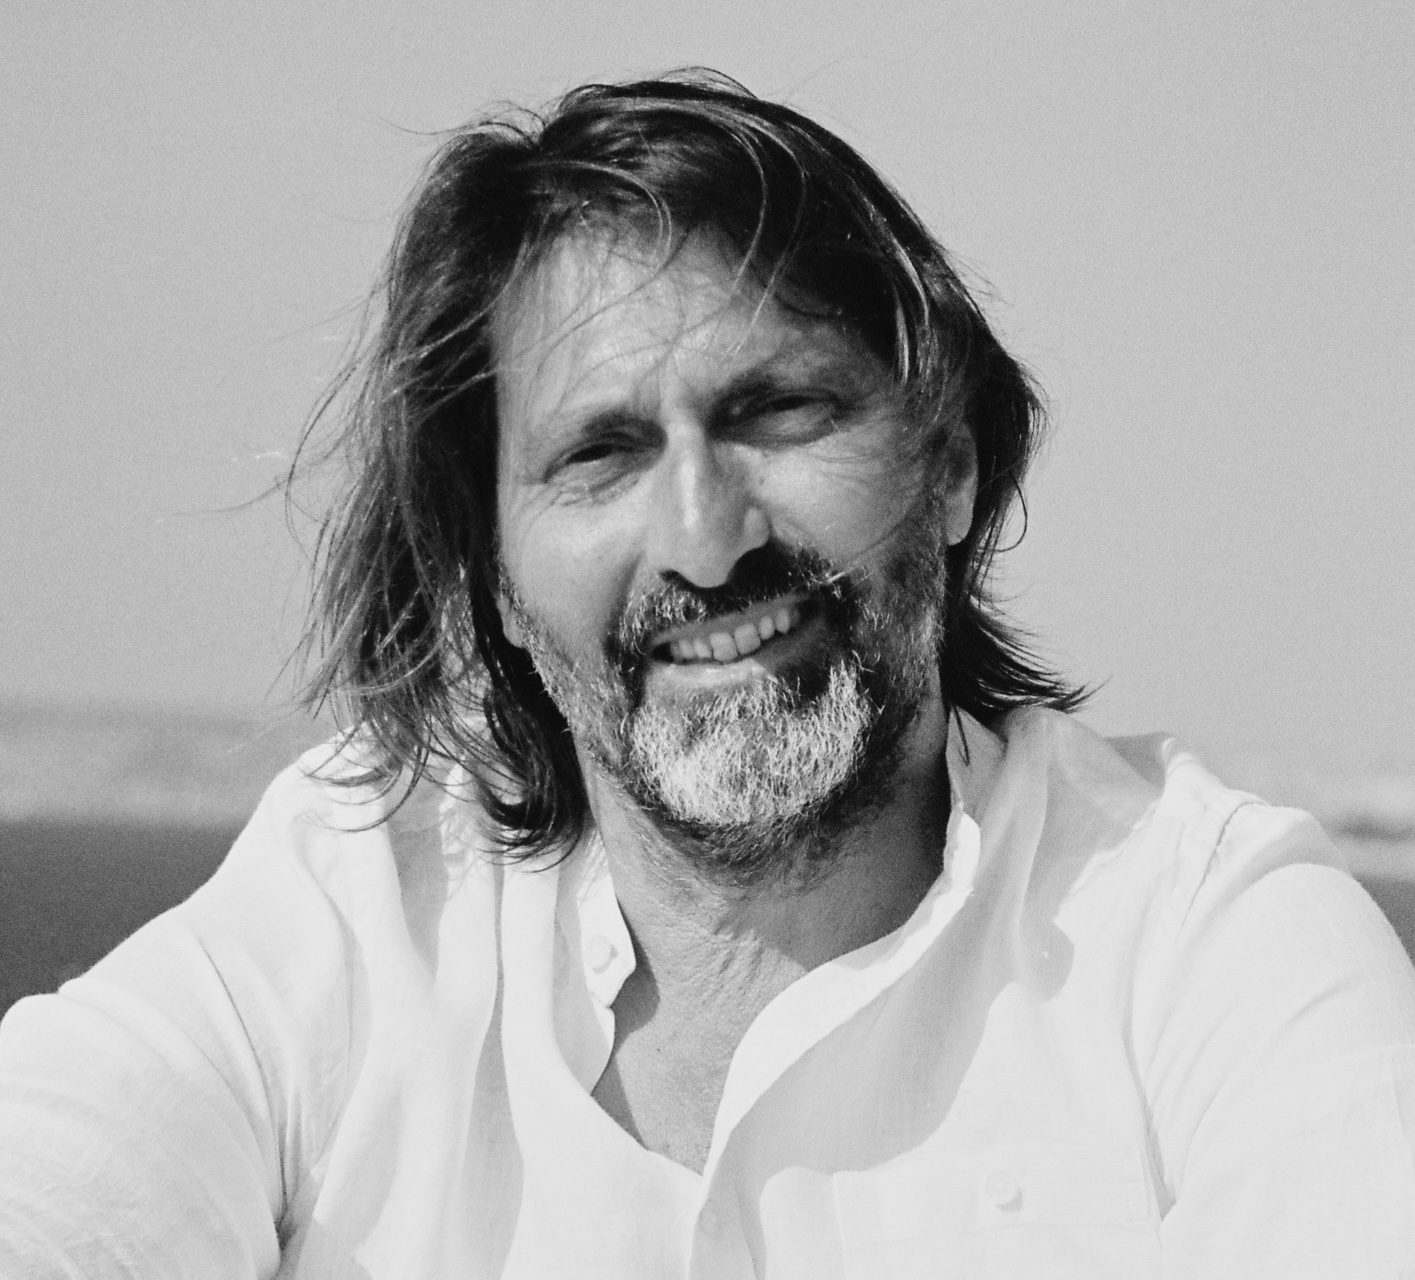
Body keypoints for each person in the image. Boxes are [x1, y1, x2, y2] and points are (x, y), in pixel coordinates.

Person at [2, 70, 1413, 1279]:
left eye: (778, 410)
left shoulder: (1207, 940)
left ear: (952, 463)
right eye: (600, 452)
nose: (704, 537)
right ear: (493, 576)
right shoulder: (361, 903)